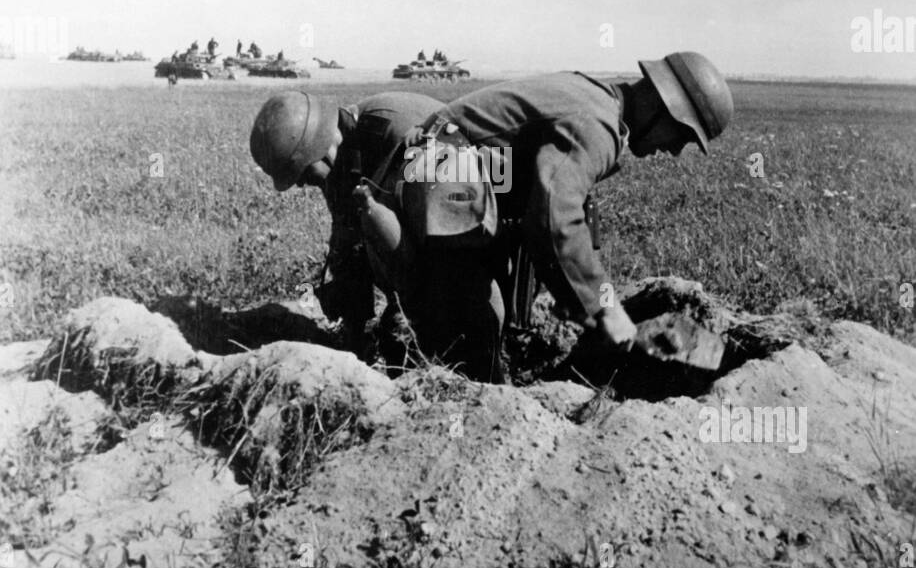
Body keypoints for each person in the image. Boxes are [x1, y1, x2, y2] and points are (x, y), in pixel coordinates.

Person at [378, 52, 734, 381]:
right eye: (681, 135)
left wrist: (580, 295)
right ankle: (464, 393)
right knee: (480, 323)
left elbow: (567, 204)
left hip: (461, 180)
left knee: (497, 309)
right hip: (442, 181)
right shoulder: (597, 123)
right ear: (661, 105)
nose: (673, 150)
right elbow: (554, 217)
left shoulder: (599, 101)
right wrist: (604, 307)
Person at [249, 88, 444, 355]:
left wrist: (406, 310)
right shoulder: (340, 156)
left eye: (301, 173)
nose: (301, 184)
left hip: (461, 235)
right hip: (424, 242)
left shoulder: (397, 136)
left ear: (319, 149)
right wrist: (355, 331)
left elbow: (442, 234)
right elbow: (347, 242)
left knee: (402, 334)